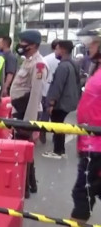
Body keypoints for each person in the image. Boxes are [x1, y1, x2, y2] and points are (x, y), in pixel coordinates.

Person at [36, 24, 101, 227]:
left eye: (94, 42)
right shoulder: (95, 69)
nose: (89, 46)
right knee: (87, 191)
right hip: (90, 143)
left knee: (84, 193)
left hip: (97, 147)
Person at [10, 30, 48, 199]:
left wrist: (29, 122)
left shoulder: (38, 65)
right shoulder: (27, 61)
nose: (20, 45)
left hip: (27, 111)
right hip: (20, 109)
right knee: (24, 149)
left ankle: (24, 186)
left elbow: (35, 94)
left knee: (23, 150)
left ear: (33, 45)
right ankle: (30, 184)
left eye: (23, 42)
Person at [42, 40, 80, 159]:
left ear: (62, 50)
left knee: (57, 124)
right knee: (60, 124)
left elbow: (57, 86)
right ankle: (60, 149)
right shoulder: (73, 64)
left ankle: (58, 150)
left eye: (57, 49)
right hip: (69, 100)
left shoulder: (63, 66)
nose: (55, 51)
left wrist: (51, 103)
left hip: (61, 103)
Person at [40, 39, 61, 144]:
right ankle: (56, 135)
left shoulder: (45, 59)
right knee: (57, 114)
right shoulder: (62, 60)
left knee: (45, 112)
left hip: (46, 88)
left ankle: (42, 131)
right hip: (58, 89)